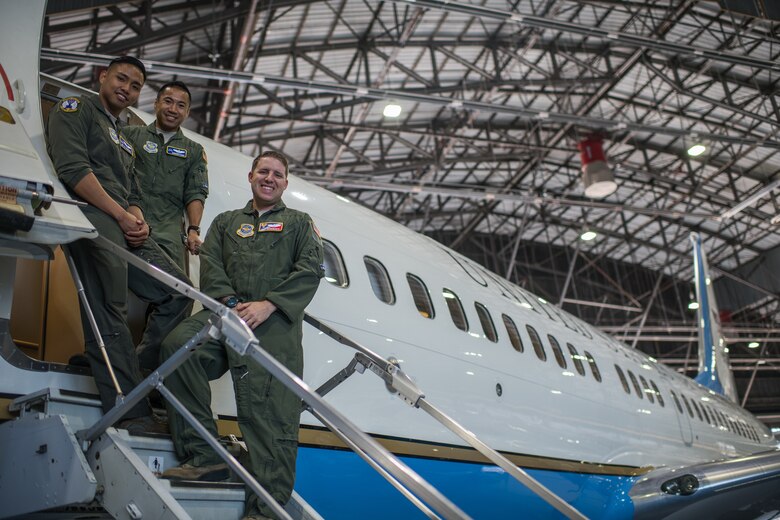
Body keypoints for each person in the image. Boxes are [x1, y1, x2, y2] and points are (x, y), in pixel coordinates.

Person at [160, 151, 324, 520]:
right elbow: (212, 263)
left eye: (277, 174)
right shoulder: (226, 222)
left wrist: (268, 304)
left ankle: (264, 512)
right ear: (251, 176)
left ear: (285, 182)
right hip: (227, 316)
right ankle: (204, 455)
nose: (269, 178)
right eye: (263, 171)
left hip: (273, 327)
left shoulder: (299, 223)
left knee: (272, 419)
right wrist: (231, 303)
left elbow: (310, 270)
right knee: (178, 350)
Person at [46, 56, 192, 433]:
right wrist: (120, 214)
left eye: (135, 85)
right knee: (110, 305)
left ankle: (140, 369)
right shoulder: (76, 109)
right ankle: (129, 410)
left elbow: (134, 187)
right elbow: (73, 169)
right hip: (92, 215)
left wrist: (136, 214)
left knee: (179, 292)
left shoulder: (123, 135)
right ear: (103, 77)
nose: (126, 88)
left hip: (123, 221)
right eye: (121, 79)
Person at [123, 81, 208, 274]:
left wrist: (193, 230)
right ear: (156, 103)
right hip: (129, 223)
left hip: (168, 236)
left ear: (187, 112)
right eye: (168, 101)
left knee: (177, 293)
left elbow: (196, 192)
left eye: (180, 105)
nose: (173, 109)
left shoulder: (194, 151)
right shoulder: (130, 135)